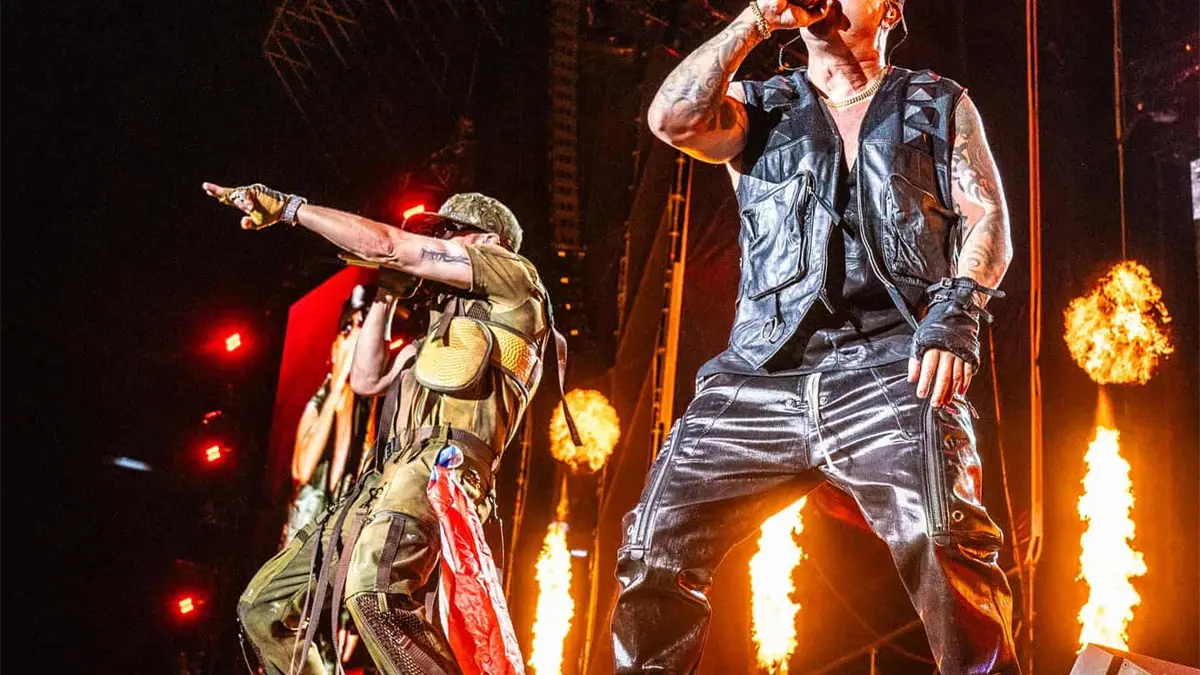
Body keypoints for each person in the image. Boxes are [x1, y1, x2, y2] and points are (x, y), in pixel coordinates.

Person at [613, 1, 1018, 674]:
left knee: (943, 532)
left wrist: (956, 314)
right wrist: (753, 19)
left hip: (892, 362)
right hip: (761, 370)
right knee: (655, 540)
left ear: (889, 10)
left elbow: (987, 217)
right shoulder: (759, 107)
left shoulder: (936, 103)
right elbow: (671, 121)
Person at [203, 183, 575, 674]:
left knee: (374, 593)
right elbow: (366, 379)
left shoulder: (515, 282)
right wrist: (386, 294)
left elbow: (390, 245)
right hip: (387, 478)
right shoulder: (439, 335)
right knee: (264, 608)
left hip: (442, 467)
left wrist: (292, 209)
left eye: (451, 233)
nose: (437, 243)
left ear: (489, 242)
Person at [284, 286, 373, 546]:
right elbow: (302, 470)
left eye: (360, 329)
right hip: (304, 538)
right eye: (347, 330)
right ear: (334, 349)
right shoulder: (318, 403)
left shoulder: (365, 407)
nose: (354, 337)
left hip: (340, 538)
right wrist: (336, 388)